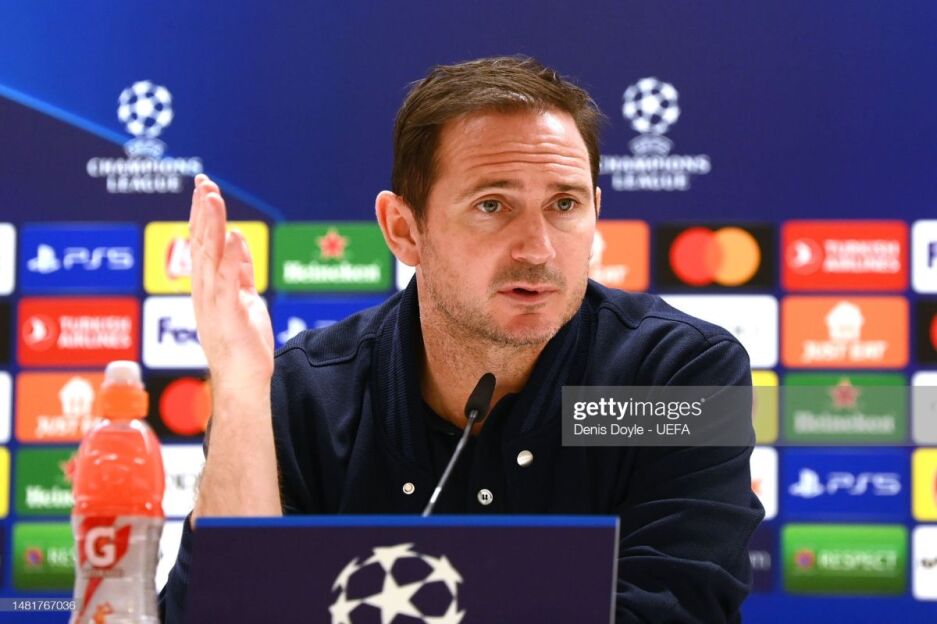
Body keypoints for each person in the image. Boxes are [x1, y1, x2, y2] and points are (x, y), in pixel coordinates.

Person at [159, 56, 764, 623]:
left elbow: (674, 609)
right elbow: (221, 612)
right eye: (492, 205)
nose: (538, 249)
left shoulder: (677, 378)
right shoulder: (302, 393)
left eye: (564, 204)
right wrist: (240, 388)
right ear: (404, 230)